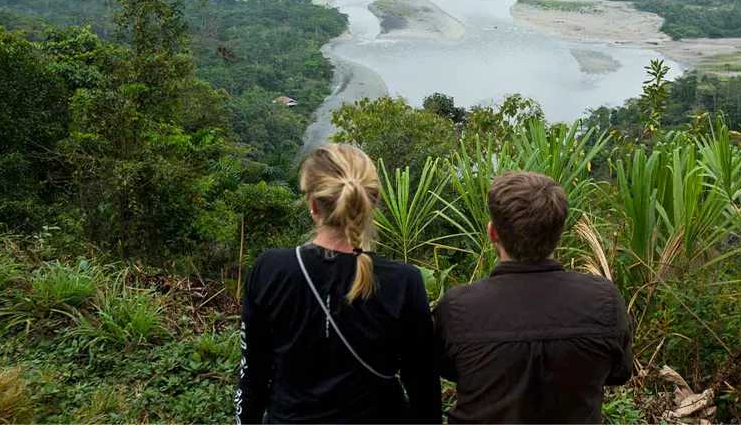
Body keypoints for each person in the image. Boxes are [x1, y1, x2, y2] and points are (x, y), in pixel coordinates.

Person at [235, 144, 442, 425]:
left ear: (313, 205)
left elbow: (252, 378)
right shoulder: (403, 281)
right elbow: (424, 390)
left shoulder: (271, 270)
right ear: (373, 201)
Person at [434, 171, 634, 425]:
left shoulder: (458, 307)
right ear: (560, 230)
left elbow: (449, 369)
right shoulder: (604, 300)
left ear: (493, 233)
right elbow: (619, 373)